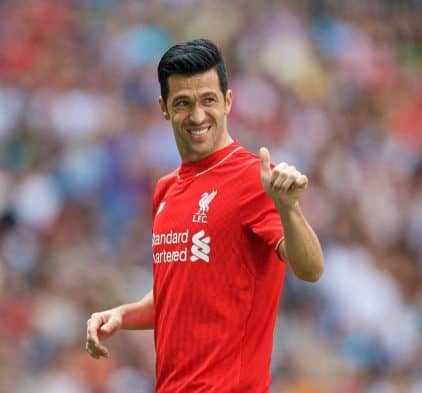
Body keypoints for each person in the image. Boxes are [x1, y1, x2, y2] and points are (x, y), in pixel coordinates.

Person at [85, 38, 324, 392]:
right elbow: (181, 297)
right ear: (164, 108)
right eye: (183, 103)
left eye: (208, 100)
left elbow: (311, 268)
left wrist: (289, 208)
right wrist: (122, 314)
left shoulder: (253, 178)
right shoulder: (165, 190)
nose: (197, 116)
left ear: (228, 101)